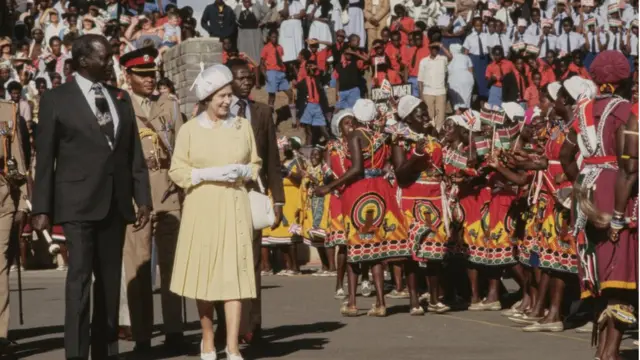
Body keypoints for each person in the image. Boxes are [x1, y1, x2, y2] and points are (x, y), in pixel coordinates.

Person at [31, 34, 152, 360]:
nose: (110, 61)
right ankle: (76, 353)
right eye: (105, 56)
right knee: (80, 282)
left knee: (110, 285)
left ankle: (104, 352)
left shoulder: (120, 98)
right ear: (84, 61)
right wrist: (41, 206)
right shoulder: (57, 99)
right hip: (77, 204)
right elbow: (45, 158)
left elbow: (133, 155)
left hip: (115, 203)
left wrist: (143, 198)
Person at [169, 64, 260, 360]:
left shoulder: (242, 126)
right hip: (202, 206)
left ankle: (232, 345)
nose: (226, 101)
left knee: (234, 276)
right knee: (205, 276)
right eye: (220, 95)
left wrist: (244, 170)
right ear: (207, 97)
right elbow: (178, 170)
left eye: (229, 95)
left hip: (234, 204)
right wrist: (208, 174)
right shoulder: (189, 130)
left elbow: (255, 163)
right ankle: (208, 336)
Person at [559, 51, 635, 360]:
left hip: (586, 189)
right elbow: (629, 166)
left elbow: (565, 157)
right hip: (615, 190)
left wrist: (582, 185)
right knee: (621, 274)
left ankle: (604, 351)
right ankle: (610, 353)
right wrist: (618, 212)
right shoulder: (626, 111)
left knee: (600, 273)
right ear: (624, 80)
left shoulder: (583, 110)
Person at [117, 46, 185, 354]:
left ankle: (174, 330)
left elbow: (182, 150)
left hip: (169, 193)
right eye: (142, 75)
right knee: (139, 267)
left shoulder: (169, 105)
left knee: (173, 267)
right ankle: (142, 335)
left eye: (152, 74)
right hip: (136, 198)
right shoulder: (120, 107)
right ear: (127, 76)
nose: (149, 80)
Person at [215, 57, 285, 345]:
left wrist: (278, 201)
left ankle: (252, 326)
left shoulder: (263, 113)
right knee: (222, 263)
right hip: (222, 196)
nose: (246, 81)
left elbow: (272, 161)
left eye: (250, 77)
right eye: (240, 77)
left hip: (253, 196)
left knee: (251, 262)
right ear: (228, 80)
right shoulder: (215, 112)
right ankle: (225, 326)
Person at [0, 99, 30, 352]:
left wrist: (22, 204)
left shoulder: (7, 109)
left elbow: (18, 161)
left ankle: (0, 334)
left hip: (3, 196)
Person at [417, 41, 451, 132]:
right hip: (427, 92)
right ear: (429, 49)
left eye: (437, 48)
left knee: (440, 117)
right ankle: (429, 135)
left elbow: (450, 56)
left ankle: (439, 135)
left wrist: (441, 45)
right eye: (433, 48)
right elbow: (420, 80)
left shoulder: (443, 59)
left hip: (440, 92)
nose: (435, 50)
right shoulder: (424, 61)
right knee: (429, 116)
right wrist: (421, 96)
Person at [449, 43, 475, 112]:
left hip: (455, 78)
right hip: (467, 78)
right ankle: (468, 114)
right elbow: (471, 70)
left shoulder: (451, 57)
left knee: (455, 99)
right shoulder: (467, 57)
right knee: (467, 100)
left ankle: (458, 112)